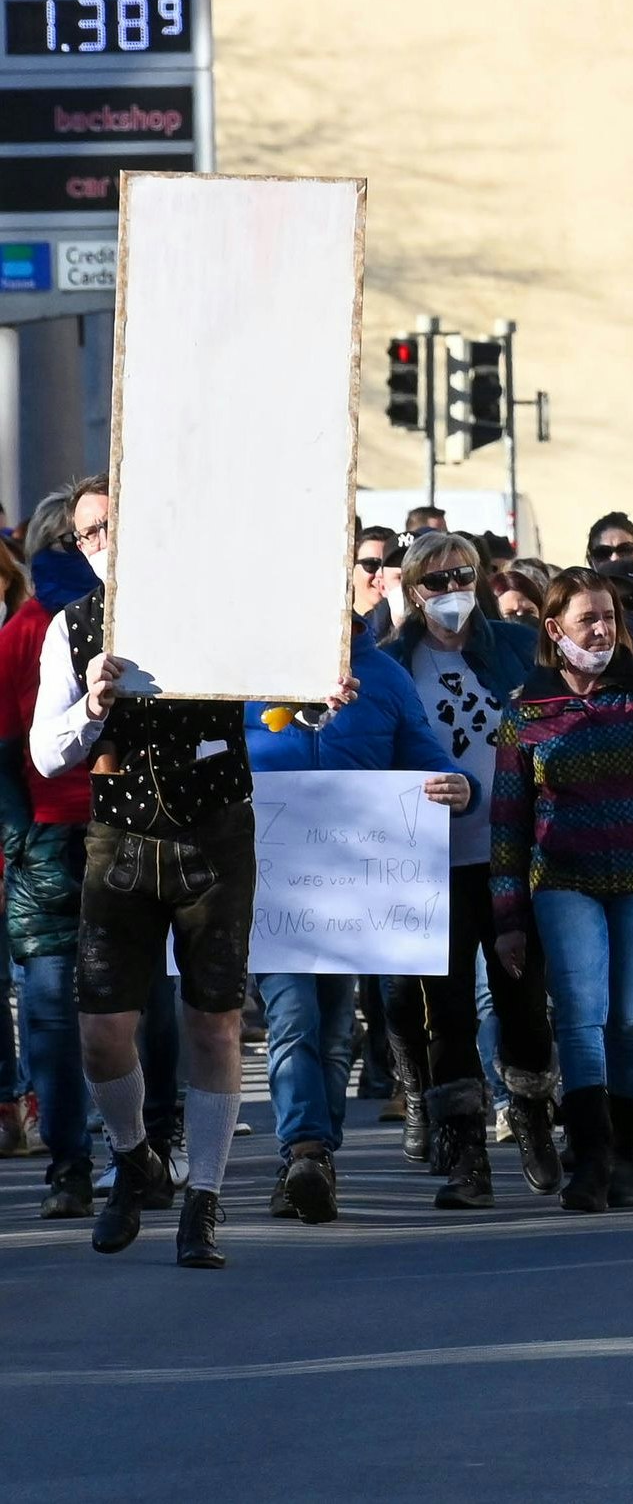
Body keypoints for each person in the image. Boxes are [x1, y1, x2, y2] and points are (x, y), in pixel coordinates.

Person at [38, 482, 261, 1266]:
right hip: (122, 839)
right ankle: (135, 1160)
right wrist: (91, 707)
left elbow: (285, 692)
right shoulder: (72, 627)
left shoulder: (217, 604)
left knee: (214, 1020)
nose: (99, 539)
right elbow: (44, 751)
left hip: (214, 833)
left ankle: (203, 1195)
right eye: (86, 532)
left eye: (110, 522)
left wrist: (314, 699)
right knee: (101, 1032)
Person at [492, 570, 633, 1213]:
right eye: (587, 619)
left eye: (610, 618)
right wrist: (508, 915)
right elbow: (508, 819)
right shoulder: (525, 710)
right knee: (582, 1017)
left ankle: (625, 1153)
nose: (601, 631)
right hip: (565, 880)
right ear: (554, 630)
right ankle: (589, 1158)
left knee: (631, 1017)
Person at [251, 586, 456, 1227]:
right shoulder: (249, 674)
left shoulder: (385, 677)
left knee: (336, 1025)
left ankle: (316, 1158)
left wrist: (460, 784)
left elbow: (424, 755)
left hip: (354, 892)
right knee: (291, 1017)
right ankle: (304, 1148)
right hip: (275, 882)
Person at [386, 533, 545, 1209]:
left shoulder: (511, 643)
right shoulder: (396, 660)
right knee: (446, 1012)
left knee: (521, 1002)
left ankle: (535, 1116)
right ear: (413, 590)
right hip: (432, 860)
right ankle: (466, 1155)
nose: (452, 589)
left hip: (510, 852)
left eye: (464, 574)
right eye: (437, 579)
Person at [0, 517, 90, 1218]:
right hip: (52, 843)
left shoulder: (140, 620)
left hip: (135, 834)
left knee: (141, 1009)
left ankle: (144, 1143)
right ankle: (70, 1161)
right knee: (53, 1010)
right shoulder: (23, 634)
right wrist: (25, 840)